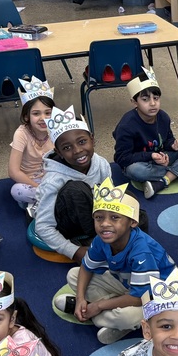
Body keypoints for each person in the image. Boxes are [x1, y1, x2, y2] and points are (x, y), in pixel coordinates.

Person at [54, 178, 176, 344]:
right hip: (128, 287)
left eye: (114, 218)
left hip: (157, 298)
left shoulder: (142, 252)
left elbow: (140, 297)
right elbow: (86, 267)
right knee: (74, 275)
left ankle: (107, 316)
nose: (105, 224)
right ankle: (95, 308)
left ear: (132, 222)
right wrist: (81, 297)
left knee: (125, 317)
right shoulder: (100, 240)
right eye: (98, 217)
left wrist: (100, 305)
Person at [33, 104, 115, 263]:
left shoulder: (101, 164)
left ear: (92, 139)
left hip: (94, 215)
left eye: (82, 141)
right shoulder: (53, 180)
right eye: (67, 147)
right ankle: (94, 239)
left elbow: (110, 198)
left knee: (134, 206)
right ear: (59, 152)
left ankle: (103, 237)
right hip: (68, 223)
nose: (77, 151)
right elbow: (43, 227)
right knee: (75, 190)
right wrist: (73, 251)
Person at [112, 67, 178, 199]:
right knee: (135, 171)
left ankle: (164, 180)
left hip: (162, 160)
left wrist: (174, 146)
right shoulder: (127, 125)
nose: (152, 103)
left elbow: (166, 140)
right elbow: (121, 159)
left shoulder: (163, 117)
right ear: (134, 102)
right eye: (145, 99)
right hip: (141, 163)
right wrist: (151, 155)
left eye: (156, 98)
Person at [9, 76, 56, 215]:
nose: (43, 118)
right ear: (27, 116)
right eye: (36, 113)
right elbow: (13, 171)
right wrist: (39, 188)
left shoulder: (56, 129)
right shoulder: (21, 133)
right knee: (17, 191)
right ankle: (50, 202)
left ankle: (43, 204)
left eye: (48, 113)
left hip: (53, 178)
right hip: (30, 182)